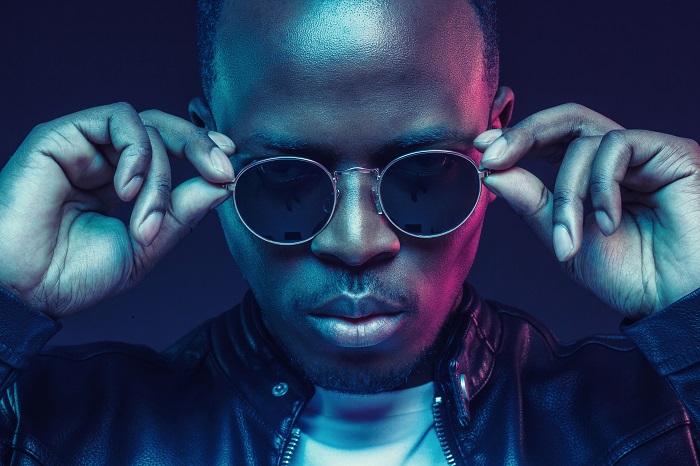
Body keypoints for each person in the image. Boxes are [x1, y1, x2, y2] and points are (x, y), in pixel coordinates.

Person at [0, 0, 699, 464]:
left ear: (499, 138)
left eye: (422, 174)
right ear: (211, 151)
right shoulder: (68, 435)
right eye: (286, 178)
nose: (357, 242)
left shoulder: (642, 428)